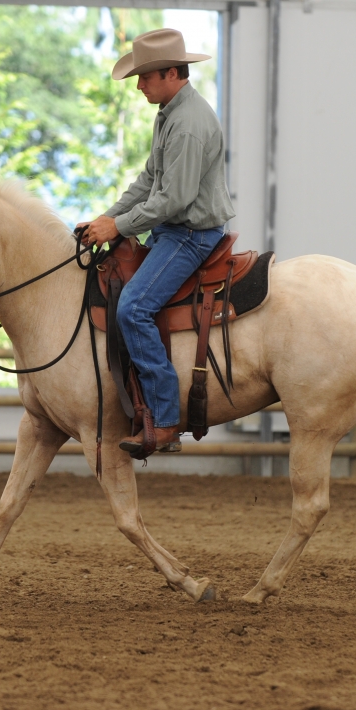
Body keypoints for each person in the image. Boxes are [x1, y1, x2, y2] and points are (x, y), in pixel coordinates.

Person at [77, 28, 235, 457]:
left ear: (171, 73)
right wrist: (109, 217)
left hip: (189, 235)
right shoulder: (170, 112)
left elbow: (174, 199)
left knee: (133, 307)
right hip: (173, 230)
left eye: (146, 77)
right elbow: (149, 180)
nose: (140, 85)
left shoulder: (186, 125)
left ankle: (165, 419)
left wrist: (120, 227)